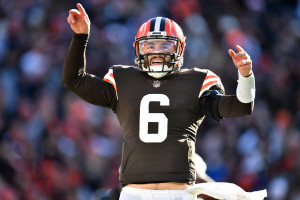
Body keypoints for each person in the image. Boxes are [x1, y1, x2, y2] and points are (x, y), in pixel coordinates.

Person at [62, 3, 265, 200]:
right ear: (139, 49)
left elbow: (241, 107)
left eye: (165, 45)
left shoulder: (196, 81)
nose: (157, 52)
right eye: (150, 45)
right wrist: (80, 36)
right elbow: (73, 80)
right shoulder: (123, 80)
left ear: (179, 49)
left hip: (177, 193)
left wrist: (246, 76)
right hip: (134, 193)